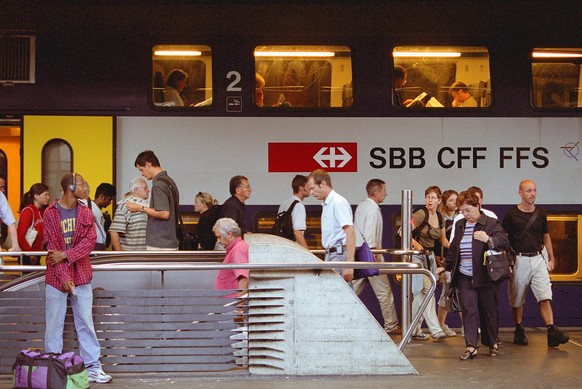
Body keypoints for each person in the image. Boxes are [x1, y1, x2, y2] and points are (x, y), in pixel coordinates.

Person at [43, 173, 112, 383]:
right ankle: (53, 369)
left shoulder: (85, 211)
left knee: (86, 323)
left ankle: (93, 367)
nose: (86, 187)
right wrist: (64, 276)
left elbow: (89, 242)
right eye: (81, 184)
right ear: (70, 187)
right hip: (56, 278)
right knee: (54, 324)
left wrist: (67, 255)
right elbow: (53, 248)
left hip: (81, 274)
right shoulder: (50, 213)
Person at [440, 190, 510, 360]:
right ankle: (471, 346)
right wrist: (445, 267)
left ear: (478, 206)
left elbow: (505, 242)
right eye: (462, 211)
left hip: (486, 275)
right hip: (465, 275)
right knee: (468, 310)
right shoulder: (460, 225)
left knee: (488, 311)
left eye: (468, 210)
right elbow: (454, 248)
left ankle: (491, 342)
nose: (466, 215)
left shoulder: (490, 224)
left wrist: (488, 239)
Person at [502, 179, 569, 348]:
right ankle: (519, 329)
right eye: (529, 191)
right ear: (520, 193)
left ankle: (551, 331)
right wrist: (506, 261)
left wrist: (552, 258)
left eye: (534, 190)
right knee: (517, 299)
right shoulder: (511, 215)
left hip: (538, 257)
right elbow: (503, 238)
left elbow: (546, 236)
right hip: (519, 259)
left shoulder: (540, 213)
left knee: (545, 296)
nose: (532, 194)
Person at [352, 179, 399, 335]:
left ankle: (336, 318)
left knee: (350, 291)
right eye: (384, 191)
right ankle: (391, 326)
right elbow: (370, 236)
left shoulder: (361, 206)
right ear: (377, 192)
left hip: (358, 255)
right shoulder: (373, 210)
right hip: (371, 256)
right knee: (384, 292)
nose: (386, 193)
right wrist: (375, 256)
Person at [409, 186, 448, 340]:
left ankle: (413, 328)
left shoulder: (439, 217)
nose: (429, 200)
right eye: (427, 197)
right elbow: (402, 232)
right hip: (416, 257)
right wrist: (418, 246)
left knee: (420, 295)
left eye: (433, 197)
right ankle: (435, 329)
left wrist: (451, 246)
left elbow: (442, 239)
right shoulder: (420, 214)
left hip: (430, 258)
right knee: (428, 289)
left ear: (439, 200)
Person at [307, 169, 355, 282]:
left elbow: (350, 232)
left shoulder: (337, 202)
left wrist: (349, 265)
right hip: (332, 254)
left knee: (338, 295)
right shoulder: (327, 204)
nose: (311, 193)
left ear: (323, 184)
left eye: (312, 188)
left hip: (339, 255)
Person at [127, 150, 180, 250]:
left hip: (160, 243)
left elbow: (164, 213)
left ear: (148, 165)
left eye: (141, 170)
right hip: (170, 240)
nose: (142, 174)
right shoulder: (169, 181)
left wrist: (140, 208)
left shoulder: (158, 185)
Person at [436, 189, 460, 337]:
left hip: (458, 259)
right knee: (450, 292)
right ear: (444, 202)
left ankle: (440, 324)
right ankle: (467, 327)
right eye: (451, 200)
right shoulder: (441, 219)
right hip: (447, 260)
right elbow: (442, 240)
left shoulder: (462, 216)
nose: (455, 203)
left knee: (447, 294)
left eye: (456, 200)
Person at [109, 177, 149, 251]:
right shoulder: (125, 205)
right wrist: (120, 255)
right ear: (136, 190)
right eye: (145, 188)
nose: (148, 191)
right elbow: (114, 232)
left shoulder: (148, 207)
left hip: (146, 257)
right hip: (130, 257)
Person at [213, 218, 249, 298]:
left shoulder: (238, 250)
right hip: (230, 303)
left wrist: (238, 307)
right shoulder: (238, 247)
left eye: (219, 237)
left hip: (232, 304)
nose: (218, 241)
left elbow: (244, 280)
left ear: (229, 234)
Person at [17, 183, 50, 265]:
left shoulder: (40, 211)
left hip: (36, 253)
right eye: (45, 195)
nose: (48, 197)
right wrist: (30, 253)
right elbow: (20, 235)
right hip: (28, 255)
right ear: (36, 196)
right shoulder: (28, 211)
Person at [277, 174, 310, 250]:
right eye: (307, 186)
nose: (309, 189)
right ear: (301, 188)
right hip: (293, 248)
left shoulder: (284, 204)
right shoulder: (298, 205)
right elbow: (297, 232)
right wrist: (308, 252)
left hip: (283, 246)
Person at [79, 182, 107, 251]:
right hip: (96, 245)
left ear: (83, 191)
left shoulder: (79, 204)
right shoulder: (94, 207)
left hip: (85, 246)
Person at [93, 183, 117, 248]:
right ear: (101, 197)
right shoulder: (89, 211)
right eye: (109, 199)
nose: (110, 203)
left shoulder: (100, 213)